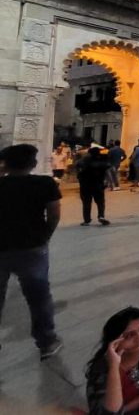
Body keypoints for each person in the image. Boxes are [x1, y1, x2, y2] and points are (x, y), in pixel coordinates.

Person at [0, 144, 63, 359]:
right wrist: (44, 237)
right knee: (39, 298)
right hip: (32, 248)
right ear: (34, 163)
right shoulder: (44, 183)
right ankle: (46, 341)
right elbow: (54, 215)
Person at [76, 146, 111, 226]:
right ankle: (101, 216)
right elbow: (107, 170)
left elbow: (77, 166)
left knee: (86, 203)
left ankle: (87, 220)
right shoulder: (102, 161)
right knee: (100, 202)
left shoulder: (84, 160)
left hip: (85, 185)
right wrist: (107, 182)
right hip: (98, 184)